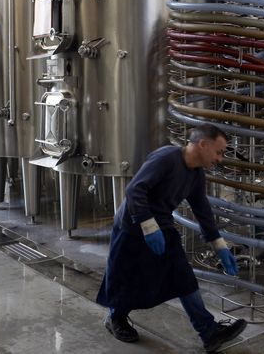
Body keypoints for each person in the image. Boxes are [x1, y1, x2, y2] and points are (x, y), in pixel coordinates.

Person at [96, 123, 247, 352]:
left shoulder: (196, 174)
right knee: (125, 278)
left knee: (183, 277)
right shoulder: (166, 158)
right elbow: (135, 190)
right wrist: (148, 225)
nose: (220, 159)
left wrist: (219, 245)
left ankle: (209, 332)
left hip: (163, 226)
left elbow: (202, 209)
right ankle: (115, 318)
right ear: (203, 144)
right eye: (219, 152)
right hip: (131, 225)